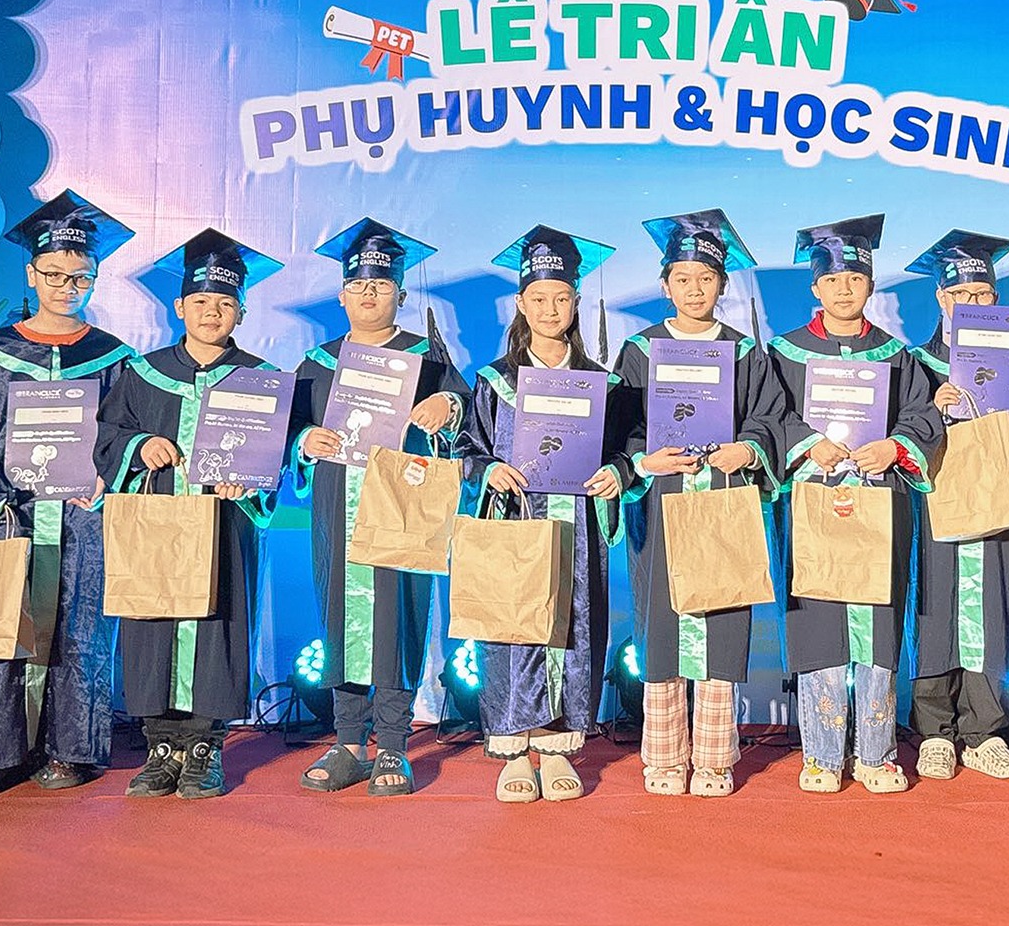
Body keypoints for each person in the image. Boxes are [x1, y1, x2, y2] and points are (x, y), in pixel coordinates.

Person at [0, 193, 135, 795]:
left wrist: (107, 473)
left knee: (82, 628)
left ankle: (71, 749)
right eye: (53, 274)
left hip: (83, 516)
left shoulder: (114, 358)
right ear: (32, 274)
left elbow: (125, 432)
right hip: (8, 513)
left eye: (80, 276)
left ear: (94, 277)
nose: (66, 287)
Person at [95, 231, 287, 801]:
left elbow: (276, 453)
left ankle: (205, 749)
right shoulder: (142, 372)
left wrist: (249, 479)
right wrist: (139, 446)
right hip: (157, 523)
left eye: (225, 303)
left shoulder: (260, 377)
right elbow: (107, 436)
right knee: (153, 622)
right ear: (180, 307)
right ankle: (160, 748)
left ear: (241, 312)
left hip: (225, 525)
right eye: (201, 302)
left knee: (218, 624)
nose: (212, 312)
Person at [290, 219, 469, 798]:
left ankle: (392, 742)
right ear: (342, 295)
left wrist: (447, 403)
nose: (369, 293)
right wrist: (305, 440)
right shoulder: (318, 362)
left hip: (402, 504)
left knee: (400, 615)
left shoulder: (426, 357)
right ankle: (347, 742)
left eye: (382, 284)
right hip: (337, 503)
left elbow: (465, 409)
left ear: (401, 294)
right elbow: (290, 428)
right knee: (340, 615)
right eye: (358, 284)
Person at [458, 226, 634, 803]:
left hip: (579, 524)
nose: (550, 309)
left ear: (576, 302)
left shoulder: (601, 383)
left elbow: (623, 450)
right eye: (538, 298)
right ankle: (514, 747)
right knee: (513, 628)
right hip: (516, 520)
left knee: (575, 625)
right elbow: (468, 446)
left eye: (561, 298)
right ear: (521, 303)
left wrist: (618, 472)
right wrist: (488, 469)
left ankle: (558, 747)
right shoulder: (494, 381)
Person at [768, 216, 942, 795]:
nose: (845, 289)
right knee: (819, 621)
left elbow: (921, 416)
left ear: (870, 285)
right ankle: (821, 754)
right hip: (813, 500)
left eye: (856, 279)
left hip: (879, 502)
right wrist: (806, 443)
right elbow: (768, 414)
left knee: (877, 622)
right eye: (833, 280)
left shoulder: (897, 354)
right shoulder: (783, 352)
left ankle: (877, 753)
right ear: (815, 287)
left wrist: (895, 445)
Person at [615, 209, 786, 797]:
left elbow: (768, 417)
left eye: (706, 279)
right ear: (665, 285)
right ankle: (663, 758)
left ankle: (714, 759)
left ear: (722, 285)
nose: (694, 289)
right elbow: (621, 430)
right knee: (661, 626)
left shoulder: (743, 352)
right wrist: (644, 460)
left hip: (722, 499)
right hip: (662, 499)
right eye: (683, 279)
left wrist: (749, 448)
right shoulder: (640, 351)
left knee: (722, 621)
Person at [905, 230, 1009, 782]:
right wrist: (931, 411)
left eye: (982, 294)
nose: (971, 303)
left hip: (995, 498)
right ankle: (936, 731)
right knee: (935, 609)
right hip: (935, 500)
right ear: (941, 298)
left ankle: (986, 732)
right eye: (960, 295)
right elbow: (898, 435)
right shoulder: (916, 363)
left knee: (994, 609)